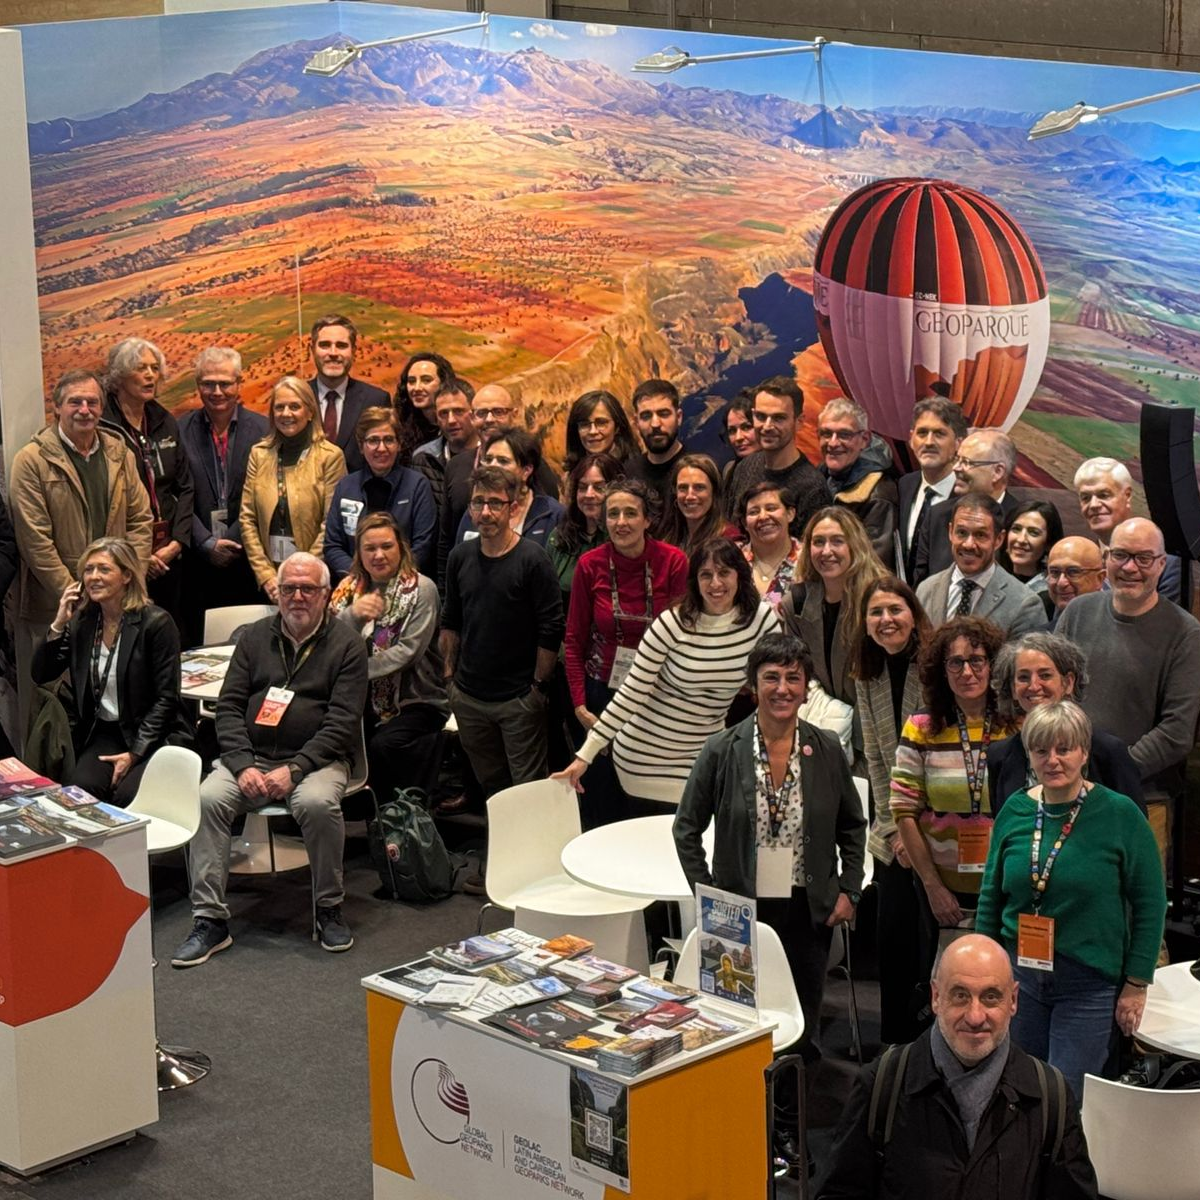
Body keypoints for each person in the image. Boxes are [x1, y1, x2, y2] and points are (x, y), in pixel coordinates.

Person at [673, 632, 866, 1057]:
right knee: (737, 1016)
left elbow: (852, 825)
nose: (782, 689)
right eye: (771, 677)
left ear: (805, 687)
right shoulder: (722, 749)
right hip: (738, 907)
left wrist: (850, 889)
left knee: (801, 1018)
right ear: (753, 684)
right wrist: (709, 896)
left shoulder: (827, 747)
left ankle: (790, 1109)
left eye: (793, 678)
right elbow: (686, 828)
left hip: (808, 906)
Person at [171, 552, 368, 965]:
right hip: (251, 757)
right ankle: (210, 920)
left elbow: (343, 723)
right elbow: (227, 709)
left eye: (308, 589)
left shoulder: (348, 645)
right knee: (209, 799)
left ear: (326, 595)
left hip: (317, 761)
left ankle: (328, 908)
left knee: (315, 803)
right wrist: (241, 765)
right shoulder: (254, 637)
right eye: (289, 588)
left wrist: (295, 770)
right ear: (277, 593)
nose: (297, 597)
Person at [815, 934, 1100, 1200]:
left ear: (1013, 1000)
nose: (975, 1017)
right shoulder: (882, 1086)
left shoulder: (1051, 1099)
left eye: (990, 997)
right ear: (936, 997)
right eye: (960, 995)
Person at [977, 701, 1166, 1099]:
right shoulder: (1016, 810)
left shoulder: (1120, 815)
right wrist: (987, 972)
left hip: (1089, 984)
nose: (1053, 760)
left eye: (1064, 749)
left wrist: (1136, 984)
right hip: (1020, 979)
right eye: (1041, 750)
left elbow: (1150, 903)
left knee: (1065, 1098)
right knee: (1018, 1089)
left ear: (1084, 752)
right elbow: (991, 897)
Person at [555, 537, 779, 811]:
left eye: (724, 573)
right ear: (694, 580)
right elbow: (630, 694)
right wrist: (584, 756)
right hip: (646, 757)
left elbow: (780, 677)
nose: (715, 584)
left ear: (739, 575)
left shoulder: (762, 620)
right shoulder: (672, 624)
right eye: (705, 575)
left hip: (706, 752)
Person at [10, 370, 153, 741]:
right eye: (75, 401)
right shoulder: (32, 461)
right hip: (55, 606)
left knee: (117, 699)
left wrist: (124, 583)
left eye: (92, 402)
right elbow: (34, 540)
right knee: (57, 709)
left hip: (117, 603)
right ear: (56, 407)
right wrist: (80, 592)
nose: (84, 409)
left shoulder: (119, 453)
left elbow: (141, 521)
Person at [1057, 517, 1200, 859]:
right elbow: (1051, 694)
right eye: (1120, 555)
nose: (1130, 567)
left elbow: (1177, 732)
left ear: (1162, 565)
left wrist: (1106, 775)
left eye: (1143, 558)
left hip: (1141, 801)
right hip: (1062, 790)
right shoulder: (1078, 612)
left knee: (1133, 909)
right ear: (1105, 559)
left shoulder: (1185, 634)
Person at [32, 537, 190, 806]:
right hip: (104, 732)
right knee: (79, 792)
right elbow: (42, 673)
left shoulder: (156, 623)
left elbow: (166, 700)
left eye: (104, 569)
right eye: (88, 570)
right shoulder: (84, 621)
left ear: (126, 575)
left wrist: (134, 754)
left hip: (151, 734)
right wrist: (59, 622)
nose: (94, 577)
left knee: (128, 796)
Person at [440, 467, 565, 797]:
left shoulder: (533, 559)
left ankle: (532, 850)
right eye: (478, 502)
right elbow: (451, 620)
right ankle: (498, 848)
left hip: (518, 700)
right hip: (468, 696)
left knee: (527, 792)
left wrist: (538, 688)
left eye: (495, 503)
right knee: (491, 789)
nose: (485, 512)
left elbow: (551, 629)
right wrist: (450, 679)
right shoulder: (459, 557)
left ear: (513, 507)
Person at [891, 616, 1015, 942]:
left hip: (1006, 885)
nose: (967, 672)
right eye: (955, 663)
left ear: (993, 665)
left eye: (976, 660)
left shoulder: (1017, 726)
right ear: (941, 670)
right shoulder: (921, 726)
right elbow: (904, 811)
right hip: (943, 891)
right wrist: (932, 886)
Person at [854, 575, 934, 1045]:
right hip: (892, 830)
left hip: (938, 822)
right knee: (892, 935)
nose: (886, 620)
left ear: (913, 615)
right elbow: (877, 757)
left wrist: (914, 829)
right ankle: (895, 1042)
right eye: (876, 613)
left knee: (929, 942)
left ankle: (931, 1038)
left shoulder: (934, 665)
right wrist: (893, 827)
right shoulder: (868, 673)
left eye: (895, 610)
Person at [329, 513, 447, 802]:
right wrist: (354, 615)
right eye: (370, 548)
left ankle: (394, 816)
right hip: (358, 699)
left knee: (382, 745)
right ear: (359, 552)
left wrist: (354, 672)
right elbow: (329, 645)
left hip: (415, 701)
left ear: (401, 548)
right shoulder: (348, 589)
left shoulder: (422, 590)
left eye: (386, 546)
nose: (378, 555)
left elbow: (408, 652)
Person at [989, 632, 1143, 814]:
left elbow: (1134, 828)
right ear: (1013, 689)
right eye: (1023, 677)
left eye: (1045, 675)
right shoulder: (998, 756)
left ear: (1068, 683)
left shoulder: (1108, 751)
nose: (1034, 686)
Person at [178, 346, 270, 643]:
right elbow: (174, 495)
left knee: (249, 648)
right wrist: (206, 542)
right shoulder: (179, 431)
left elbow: (263, 495)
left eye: (225, 383)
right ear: (198, 385)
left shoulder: (264, 429)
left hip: (247, 561)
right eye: (208, 383)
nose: (217, 391)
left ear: (239, 383)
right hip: (195, 565)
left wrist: (234, 538)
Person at [100, 337, 194, 625]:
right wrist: (140, 556)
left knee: (170, 630)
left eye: (155, 368)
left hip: (169, 554)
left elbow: (185, 485)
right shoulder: (103, 424)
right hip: (125, 557)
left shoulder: (164, 420)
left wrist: (178, 542)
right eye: (141, 368)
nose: (151, 375)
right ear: (120, 375)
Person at [438, 385, 560, 584]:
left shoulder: (547, 496)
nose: (489, 419)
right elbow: (449, 546)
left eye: (498, 412)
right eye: (482, 413)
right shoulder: (459, 475)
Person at [240, 376, 346, 603]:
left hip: (314, 579)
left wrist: (302, 575)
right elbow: (247, 519)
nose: (286, 413)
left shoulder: (329, 457)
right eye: (279, 407)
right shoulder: (259, 454)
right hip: (269, 580)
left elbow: (331, 523)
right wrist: (266, 576)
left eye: (295, 406)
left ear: (310, 412)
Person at [780, 507, 887, 720]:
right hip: (821, 722)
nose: (826, 551)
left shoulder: (879, 601)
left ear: (854, 546)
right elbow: (797, 670)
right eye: (818, 542)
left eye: (837, 541)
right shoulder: (797, 602)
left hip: (874, 721)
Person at [323, 406, 436, 582]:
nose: (381, 448)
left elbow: (423, 544)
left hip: (404, 584)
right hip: (355, 585)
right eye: (373, 440)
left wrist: (391, 579)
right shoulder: (346, 486)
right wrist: (360, 576)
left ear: (399, 444)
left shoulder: (417, 485)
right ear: (361, 446)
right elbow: (333, 545)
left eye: (389, 440)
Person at [915, 493, 1045, 636]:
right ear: (951, 532)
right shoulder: (925, 590)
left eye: (980, 535)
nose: (969, 544)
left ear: (999, 539)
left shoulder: (1025, 604)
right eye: (962, 533)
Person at [913, 428, 1020, 583]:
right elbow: (921, 584)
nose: (956, 468)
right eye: (957, 459)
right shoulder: (938, 515)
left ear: (997, 472)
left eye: (967, 462)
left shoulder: (1019, 523)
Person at [726, 376, 826, 537]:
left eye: (779, 418)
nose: (767, 426)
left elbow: (809, 556)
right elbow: (732, 531)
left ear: (799, 422)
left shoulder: (813, 487)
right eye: (761, 417)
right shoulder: (745, 467)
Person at [1074, 456, 1182, 604]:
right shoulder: (1080, 559)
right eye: (1085, 498)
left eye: (1103, 495)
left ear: (1127, 496)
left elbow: (1167, 623)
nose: (1093, 505)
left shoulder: (1166, 561)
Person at [817, 396, 899, 567]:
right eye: (826, 433)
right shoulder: (818, 478)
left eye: (844, 435)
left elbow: (874, 566)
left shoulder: (878, 495)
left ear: (865, 439)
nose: (832, 443)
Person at [454, 428, 564, 548]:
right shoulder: (477, 508)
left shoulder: (552, 514)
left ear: (526, 471)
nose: (492, 466)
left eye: (503, 461)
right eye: (488, 459)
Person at [307, 314, 390, 473]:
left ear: (353, 351)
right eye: (324, 345)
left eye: (341, 345)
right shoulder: (297, 398)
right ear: (312, 350)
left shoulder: (375, 400)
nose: (333, 352)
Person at [898, 396, 967, 583]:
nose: (929, 442)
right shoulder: (904, 485)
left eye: (939, 434)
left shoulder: (968, 496)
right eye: (922, 433)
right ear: (911, 439)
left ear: (958, 443)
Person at [545, 452, 624, 610]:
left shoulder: (626, 539)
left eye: (599, 487)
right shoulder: (559, 538)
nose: (589, 494)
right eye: (582, 487)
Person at [412, 378, 478, 521]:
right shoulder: (423, 459)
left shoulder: (494, 455)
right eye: (443, 414)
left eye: (458, 411)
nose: (451, 420)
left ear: (474, 413)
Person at [737, 482, 801, 611]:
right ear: (744, 523)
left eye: (771, 508)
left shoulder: (809, 559)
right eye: (754, 512)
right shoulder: (733, 559)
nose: (763, 516)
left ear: (790, 514)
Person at [658, 453, 738, 556]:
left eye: (699, 487)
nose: (690, 496)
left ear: (714, 492)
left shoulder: (729, 539)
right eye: (683, 488)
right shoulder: (669, 540)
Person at [623, 378, 686, 503]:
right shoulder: (627, 474)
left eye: (663, 414)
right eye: (646, 416)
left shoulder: (698, 472)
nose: (655, 424)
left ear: (678, 417)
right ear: (636, 423)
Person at [997, 500, 1063, 618]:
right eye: (1016, 529)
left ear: (1048, 543)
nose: (1021, 539)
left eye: (1033, 533)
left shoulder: (1048, 596)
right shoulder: (992, 578)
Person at [393, 351, 455, 462]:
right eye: (411, 381)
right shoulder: (400, 427)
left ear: (444, 383)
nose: (417, 388)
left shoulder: (455, 425)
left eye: (426, 380)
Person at [563, 390, 637, 471]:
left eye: (601, 423)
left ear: (617, 427)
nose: (593, 431)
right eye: (584, 424)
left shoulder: (635, 471)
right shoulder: (572, 475)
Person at [1045, 536, 1104, 630]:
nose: (1061, 583)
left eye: (1073, 572)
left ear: (1100, 578)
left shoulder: (1119, 625)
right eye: (1055, 572)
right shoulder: (1039, 635)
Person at [720, 390, 759, 490]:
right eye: (732, 431)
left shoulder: (782, 472)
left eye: (746, 427)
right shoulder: (729, 471)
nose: (738, 437)